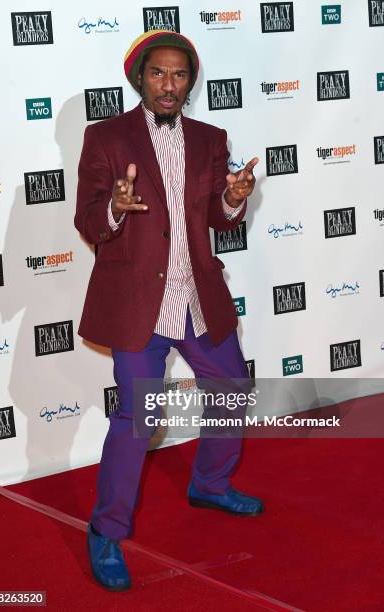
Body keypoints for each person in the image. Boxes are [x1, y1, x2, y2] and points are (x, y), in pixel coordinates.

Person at [74, 30, 262, 592]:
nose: (169, 84)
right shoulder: (106, 136)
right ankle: (106, 531)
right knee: (139, 417)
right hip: (137, 301)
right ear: (140, 78)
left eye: (180, 75)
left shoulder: (211, 138)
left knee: (230, 388)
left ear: (190, 82)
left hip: (196, 295)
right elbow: (87, 221)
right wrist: (114, 205)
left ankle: (210, 483)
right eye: (158, 73)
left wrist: (234, 197)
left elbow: (221, 219)